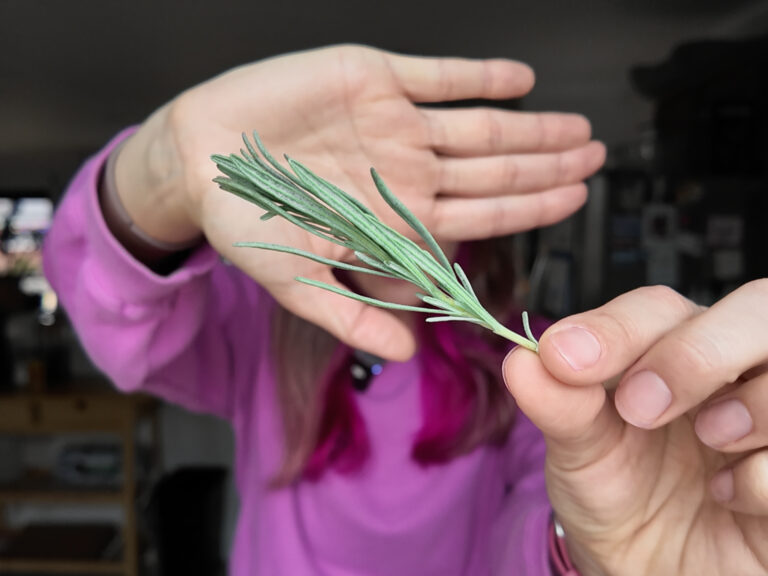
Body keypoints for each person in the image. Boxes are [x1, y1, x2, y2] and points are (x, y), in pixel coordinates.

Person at [42, 44, 767, 575]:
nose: (391, 213)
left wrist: (595, 547)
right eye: (367, 185)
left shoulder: (540, 355)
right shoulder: (260, 325)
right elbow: (116, 319)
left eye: (426, 189)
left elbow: (531, 535)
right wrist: (165, 169)